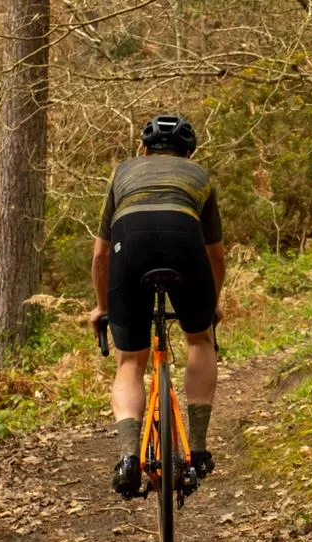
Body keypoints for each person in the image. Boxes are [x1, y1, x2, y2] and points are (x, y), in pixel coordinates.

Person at [89, 114, 225, 498]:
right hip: (186, 246)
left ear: (144, 149)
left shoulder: (122, 173)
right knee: (199, 340)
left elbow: (100, 256)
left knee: (131, 361)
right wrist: (210, 305)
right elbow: (215, 257)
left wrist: (102, 307)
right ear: (187, 153)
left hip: (128, 247)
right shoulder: (199, 176)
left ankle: (129, 458)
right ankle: (197, 450)